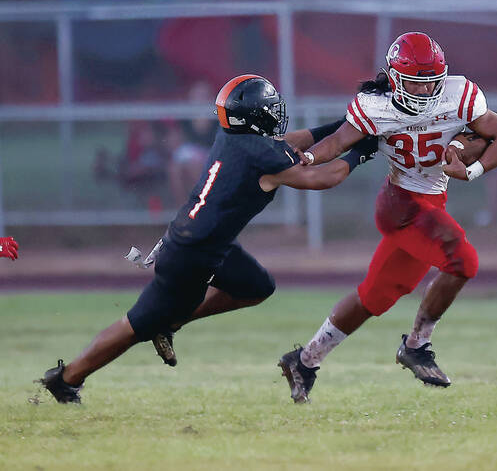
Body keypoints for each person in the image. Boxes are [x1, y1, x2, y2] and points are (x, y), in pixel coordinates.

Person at [39, 74, 377, 404]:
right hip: (192, 255)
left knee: (256, 286)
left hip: (204, 244)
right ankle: (66, 379)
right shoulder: (264, 159)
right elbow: (321, 179)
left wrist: (347, 126)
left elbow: (292, 143)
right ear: (258, 115)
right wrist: (358, 152)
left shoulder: (236, 138)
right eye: (271, 108)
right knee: (136, 326)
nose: (276, 113)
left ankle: (171, 321)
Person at [277, 32, 497, 403]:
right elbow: (338, 141)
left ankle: (305, 360)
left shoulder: (460, 95)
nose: (425, 93)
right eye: (415, 84)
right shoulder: (375, 107)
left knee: (372, 299)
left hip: (431, 204)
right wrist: (309, 157)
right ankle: (417, 345)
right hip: (403, 205)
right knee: (462, 261)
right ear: (394, 79)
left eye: (431, 85)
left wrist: (471, 171)